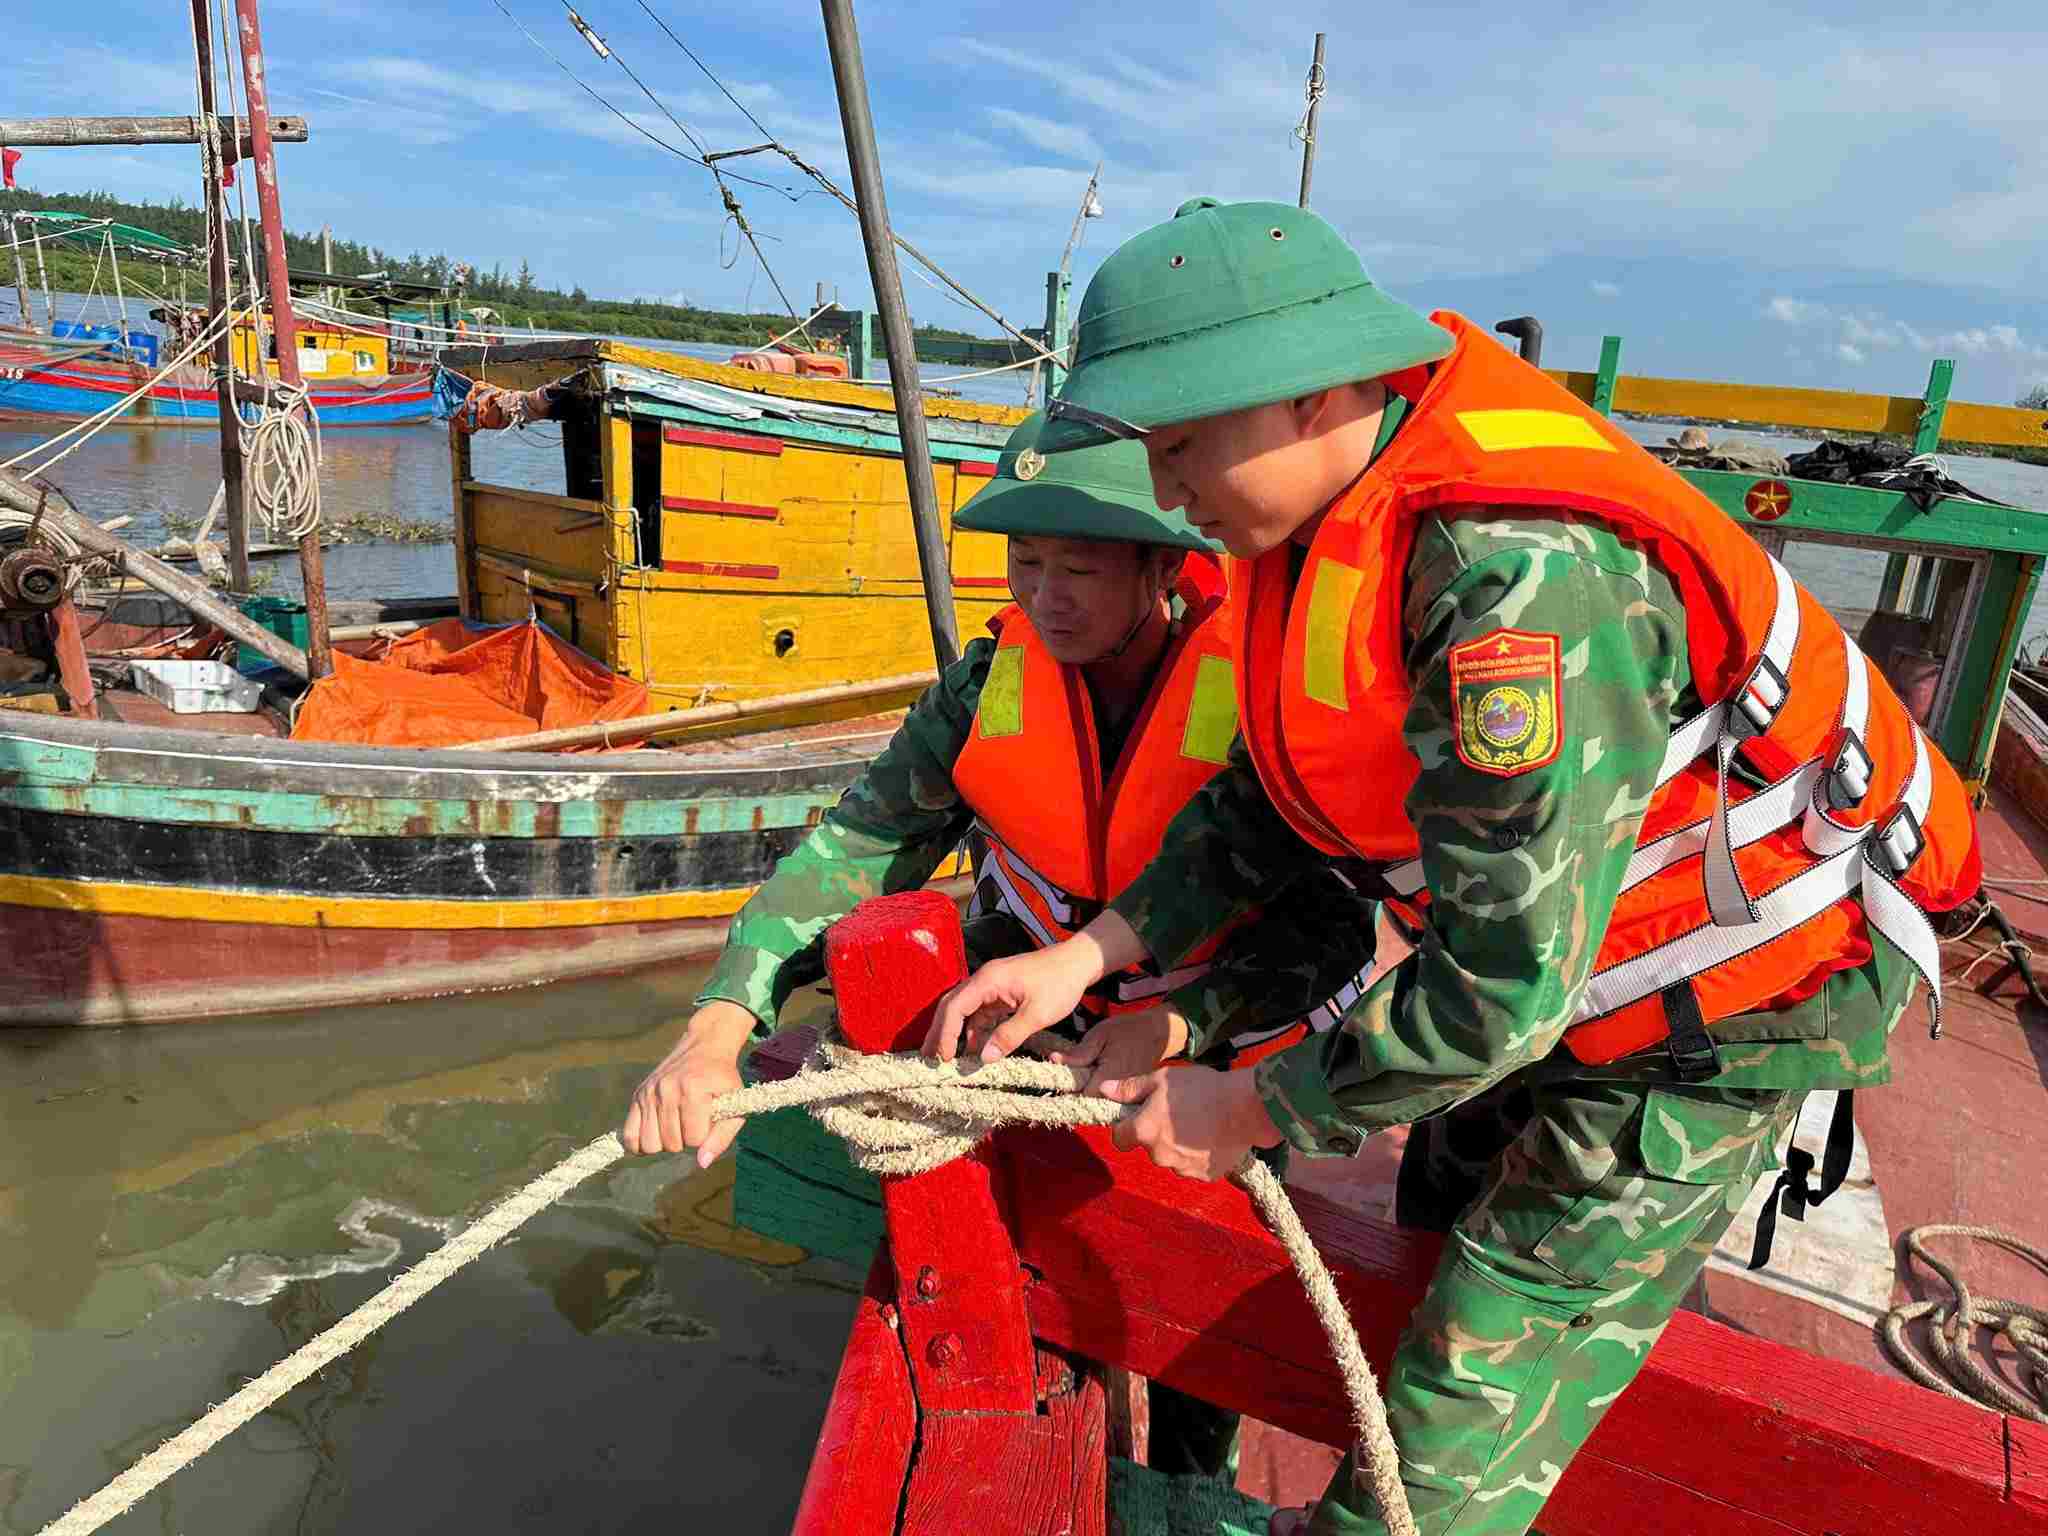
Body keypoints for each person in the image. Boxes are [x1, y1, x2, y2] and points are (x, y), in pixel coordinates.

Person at [928, 198, 1980, 1535]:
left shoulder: (1513, 583)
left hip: (1728, 1012)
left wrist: (1249, 1104)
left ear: (1309, 400)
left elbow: (1500, 986)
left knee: (1457, 1409)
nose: (1168, 494)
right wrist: (1087, 957)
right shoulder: (1305, 536)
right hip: (1564, 968)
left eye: (1183, 447)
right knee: (1427, 1204)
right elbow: (1268, 795)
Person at [620, 409, 1380, 1479]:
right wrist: (717, 1026)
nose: (1045, 594)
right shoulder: (986, 686)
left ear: (1163, 566)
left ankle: (1182, 1479)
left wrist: (1178, 1024)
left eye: (1080, 566)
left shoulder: (1259, 687)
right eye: (1025, 561)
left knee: (1196, 1331)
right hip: (1026, 1036)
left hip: (1212, 1054)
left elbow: (1335, 919)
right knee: (1034, 1276)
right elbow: (860, 843)